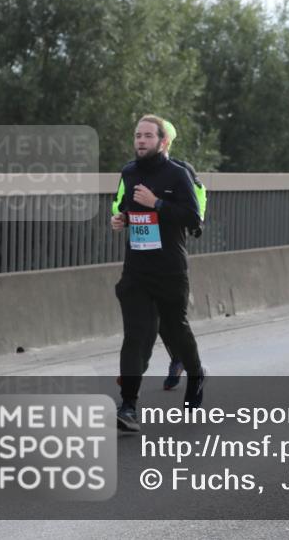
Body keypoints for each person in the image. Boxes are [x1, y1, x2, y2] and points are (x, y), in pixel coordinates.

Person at [111, 115, 206, 432]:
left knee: (176, 329)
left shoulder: (178, 175)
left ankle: (195, 375)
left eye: (148, 136)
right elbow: (126, 206)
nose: (140, 141)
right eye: (137, 135)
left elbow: (194, 220)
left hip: (169, 270)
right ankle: (128, 406)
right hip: (136, 270)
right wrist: (121, 219)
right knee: (134, 338)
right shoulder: (128, 172)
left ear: (162, 141)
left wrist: (158, 204)